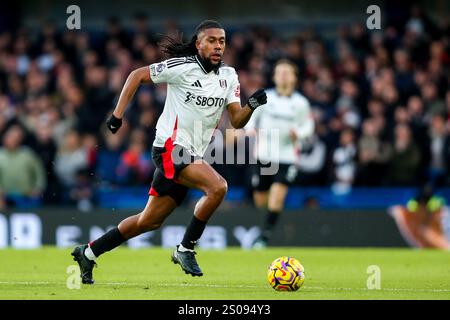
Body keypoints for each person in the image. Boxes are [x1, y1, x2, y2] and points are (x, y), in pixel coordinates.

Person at [71, 20, 267, 284]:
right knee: (218, 187)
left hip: (191, 155)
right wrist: (117, 116)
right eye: (211, 40)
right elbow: (137, 75)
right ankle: (185, 248)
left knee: (148, 221)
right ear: (198, 44)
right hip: (169, 149)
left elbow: (236, 120)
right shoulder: (182, 68)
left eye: (221, 41)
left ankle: (89, 252)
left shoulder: (229, 76)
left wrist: (252, 105)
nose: (218, 45)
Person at [245, 59, 314, 248]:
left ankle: (264, 236)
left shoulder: (301, 103)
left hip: (287, 156)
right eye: (279, 71)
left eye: (287, 72)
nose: (283, 75)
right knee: (261, 198)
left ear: (294, 77)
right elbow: (249, 115)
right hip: (265, 155)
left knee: (278, 195)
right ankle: (270, 219)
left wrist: (299, 133)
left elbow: (308, 125)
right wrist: (250, 129)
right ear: (274, 76)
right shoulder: (265, 96)